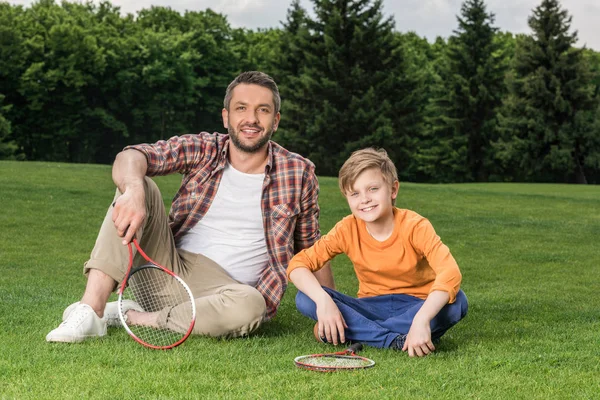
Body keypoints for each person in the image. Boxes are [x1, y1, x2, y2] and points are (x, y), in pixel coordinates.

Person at [47, 71, 333, 343]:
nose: (251, 119)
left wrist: (332, 307)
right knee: (141, 185)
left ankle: (134, 316)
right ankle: (91, 310)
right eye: (242, 108)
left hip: (229, 294)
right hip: (167, 269)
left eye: (263, 110)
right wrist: (133, 190)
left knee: (251, 305)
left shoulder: (298, 172)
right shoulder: (204, 148)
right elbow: (133, 155)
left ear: (276, 120)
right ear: (226, 116)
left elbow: (312, 248)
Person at [286, 148, 468, 357]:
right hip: (370, 306)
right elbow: (298, 264)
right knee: (304, 298)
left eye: (373, 189)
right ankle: (393, 339)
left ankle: (361, 331)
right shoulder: (347, 229)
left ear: (393, 189)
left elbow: (450, 273)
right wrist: (323, 301)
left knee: (457, 302)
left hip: (416, 304)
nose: (364, 199)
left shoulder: (415, 226)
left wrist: (422, 319)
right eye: (354, 193)